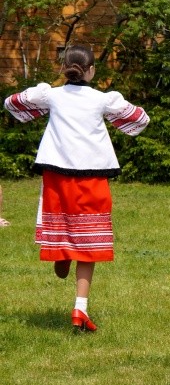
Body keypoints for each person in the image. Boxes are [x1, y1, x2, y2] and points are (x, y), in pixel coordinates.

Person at [4, 45, 149, 331]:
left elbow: (13, 103)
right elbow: (140, 119)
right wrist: (112, 113)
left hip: (56, 175)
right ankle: (80, 307)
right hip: (93, 176)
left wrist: (43, 95)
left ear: (63, 68)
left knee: (61, 225)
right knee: (89, 243)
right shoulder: (102, 99)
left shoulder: (52, 95)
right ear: (92, 70)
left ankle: (61, 253)